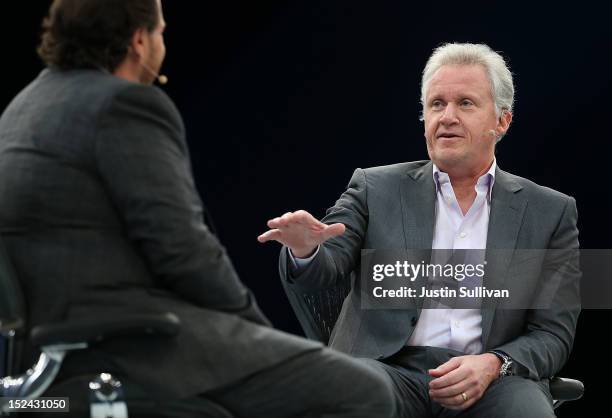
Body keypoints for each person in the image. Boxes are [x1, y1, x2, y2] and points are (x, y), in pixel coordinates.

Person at [0, 1, 395, 417]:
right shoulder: (125, 105)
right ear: (139, 39)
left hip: (40, 351)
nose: (161, 44)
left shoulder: (21, 109)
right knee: (361, 392)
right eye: (160, 33)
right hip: (128, 343)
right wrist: (259, 337)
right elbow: (184, 252)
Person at [259, 42, 580, 417]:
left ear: (502, 121)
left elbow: (553, 333)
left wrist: (494, 363)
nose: (447, 116)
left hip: (490, 381)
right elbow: (326, 265)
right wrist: (305, 250)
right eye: (436, 104)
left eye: (465, 103)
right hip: (386, 370)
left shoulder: (550, 212)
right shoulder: (374, 187)